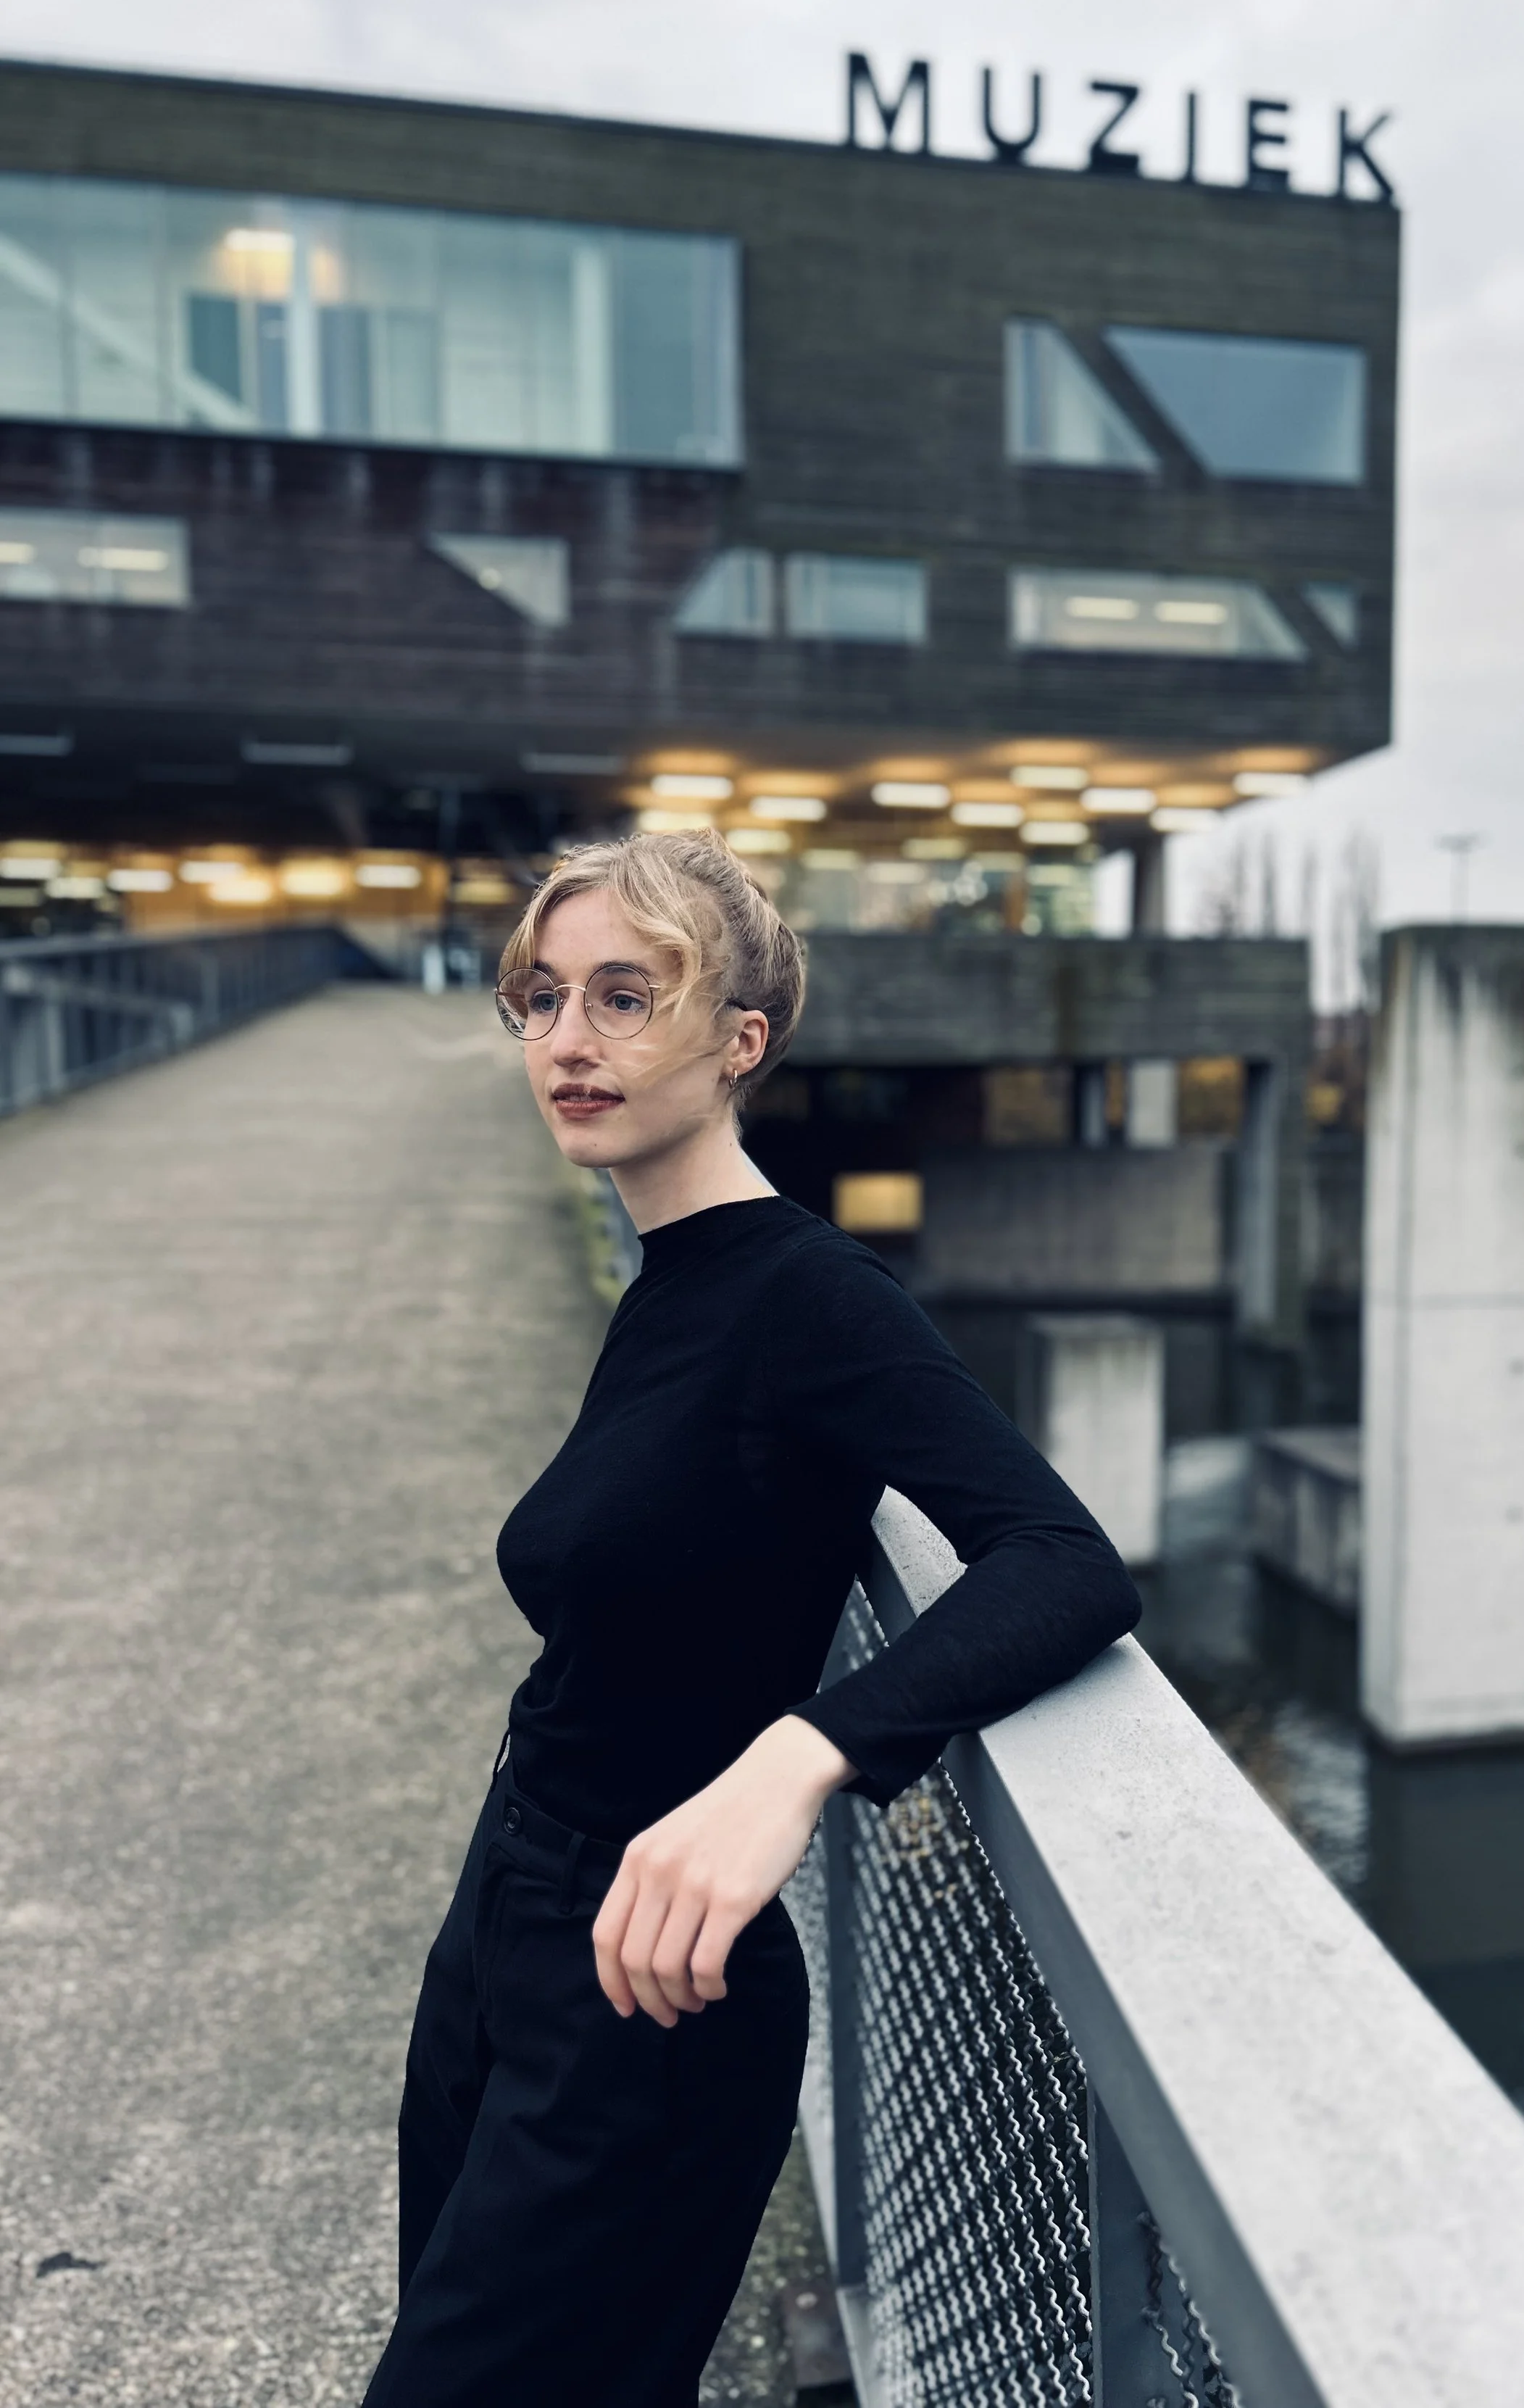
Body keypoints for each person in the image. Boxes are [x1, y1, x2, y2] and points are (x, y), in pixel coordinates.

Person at [359, 829, 1141, 2407]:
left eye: (626, 997)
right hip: (511, 1904)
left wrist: (796, 1761)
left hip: (650, 1991)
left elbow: (1060, 1559)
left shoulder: (806, 1299)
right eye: (544, 996)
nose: (569, 1041)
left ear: (738, 1043)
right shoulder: (664, 1271)